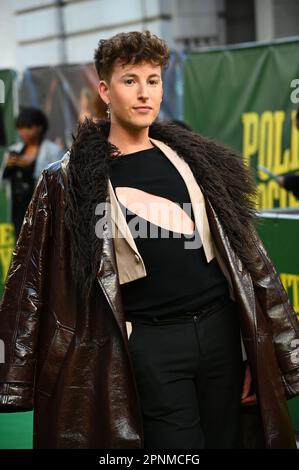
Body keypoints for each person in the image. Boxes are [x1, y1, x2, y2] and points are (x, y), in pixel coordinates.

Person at [0, 31, 298, 450]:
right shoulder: (67, 179)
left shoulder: (197, 160)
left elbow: (246, 258)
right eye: (130, 80)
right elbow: (30, 278)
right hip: (149, 343)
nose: (144, 93)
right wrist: (13, 375)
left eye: (153, 80)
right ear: (104, 89)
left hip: (220, 334)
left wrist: (251, 347)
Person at [0, 107, 64, 237]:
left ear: (40, 127)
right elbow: (2, 182)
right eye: (20, 128)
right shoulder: (14, 150)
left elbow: (60, 181)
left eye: (29, 127)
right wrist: (8, 166)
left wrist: (31, 167)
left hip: (43, 209)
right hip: (18, 211)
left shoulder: (53, 150)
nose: (24, 132)